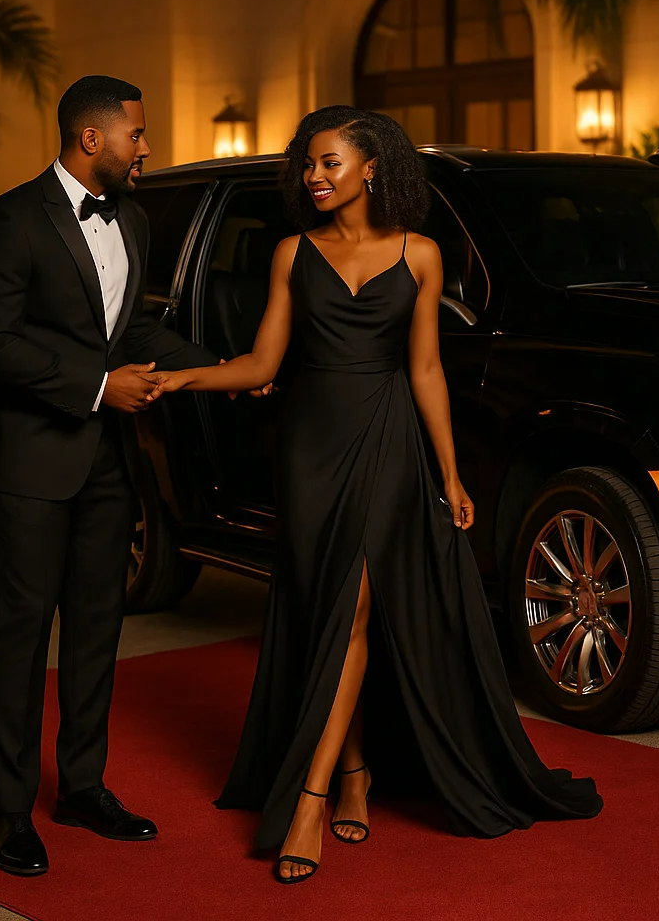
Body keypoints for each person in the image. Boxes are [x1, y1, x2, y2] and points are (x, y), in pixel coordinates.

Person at [150, 105, 603, 884]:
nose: (312, 177)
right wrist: (180, 377)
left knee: (357, 605)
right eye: (307, 165)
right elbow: (262, 364)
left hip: (389, 442)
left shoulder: (421, 254)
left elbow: (425, 369)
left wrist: (451, 474)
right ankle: (356, 770)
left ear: (371, 167)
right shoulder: (292, 253)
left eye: (328, 162)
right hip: (310, 448)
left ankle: (308, 799)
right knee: (329, 607)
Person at [0, 75, 225, 877]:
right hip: (31, 459)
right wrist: (98, 386)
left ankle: (82, 787)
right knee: (22, 633)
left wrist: (228, 368)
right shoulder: (9, 219)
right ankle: (10, 814)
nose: (147, 148)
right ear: (91, 140)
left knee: (97, 632)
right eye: (136, 136)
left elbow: (135, 327)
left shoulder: (135, 219)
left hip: (110, 462)